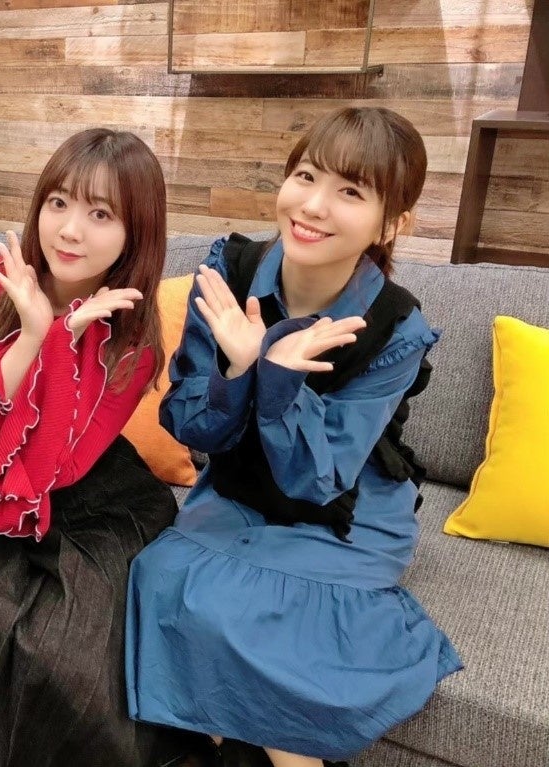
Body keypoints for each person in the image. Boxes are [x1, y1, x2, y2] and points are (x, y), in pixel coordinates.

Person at [125, 107, 462, 767]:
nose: (312, 205)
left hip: (345, 504)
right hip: (243, 483)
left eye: (350, 191)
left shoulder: (396, 326)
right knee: (161, 578)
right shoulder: (230, 273)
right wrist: (238, 370)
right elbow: (190, 423)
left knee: (268, 622)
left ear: (392, 224)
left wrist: (279, 380)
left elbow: (319, 476)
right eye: (306, 176)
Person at [0, 128, 190, 767]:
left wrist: (67, 342)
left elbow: (57, 467)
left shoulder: (134, 338)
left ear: (136, 234)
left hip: (92, 490)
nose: (69, 230)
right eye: (58, 203)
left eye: (101, 214)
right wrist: (34, 336)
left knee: (75, 646)